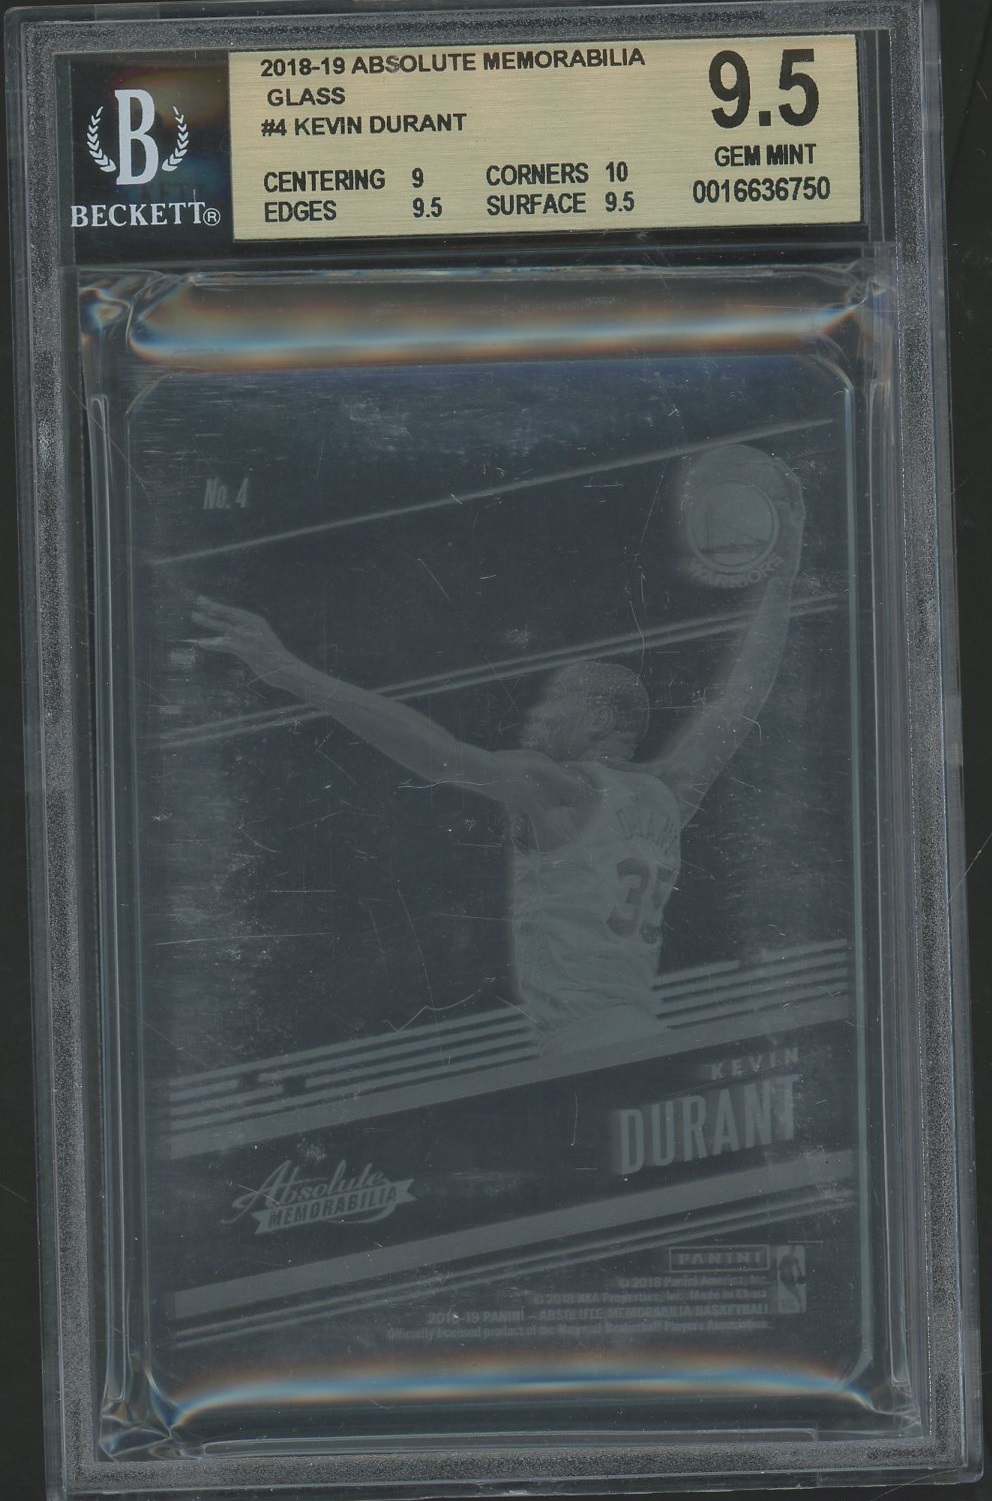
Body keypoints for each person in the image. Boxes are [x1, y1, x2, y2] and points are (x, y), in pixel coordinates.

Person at [192, 467, 803, 1053]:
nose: (535, 713)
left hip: (587, 1044)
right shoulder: (670, 793)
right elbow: (741, 697)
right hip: (638, 1028)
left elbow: (439, 756)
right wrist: (783, 577)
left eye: (556, 700)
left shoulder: (558, 787)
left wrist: (289, 672)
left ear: (599, 719)